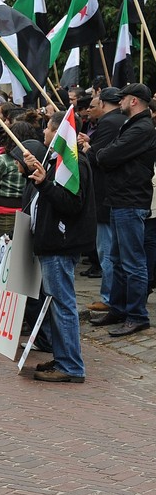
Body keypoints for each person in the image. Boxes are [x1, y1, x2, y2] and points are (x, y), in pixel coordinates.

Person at [18, 132, 95, 383]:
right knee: (57, 303)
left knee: (63, 304)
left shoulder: (74, 163)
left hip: (60, 245)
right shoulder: (58, 161)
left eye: (49, 129)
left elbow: (71, 204)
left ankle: (71, 366)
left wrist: (44, 183)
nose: (44, 134)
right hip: (52, 244)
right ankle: (63, 358)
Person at [87, 83, 156, 337]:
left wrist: (102, 153)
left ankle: (137, 315)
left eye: (124, 98)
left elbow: (106, 156)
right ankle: (118, 308)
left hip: (130, 201)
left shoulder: (142, 128)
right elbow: (106, 154)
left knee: (133, 262)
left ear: (135, 101)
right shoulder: (131, 124)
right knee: (116, 260)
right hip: (119, 199)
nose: (120, 101)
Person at [80, 88, 126, 313]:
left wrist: (88, 148)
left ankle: (109, 297)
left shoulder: (110, 122)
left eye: (94, 105)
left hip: (105, 195)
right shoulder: (121, 121)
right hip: (114, 194)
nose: (90, 109)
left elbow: (98, 156)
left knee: (107, 250)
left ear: (104, 104)